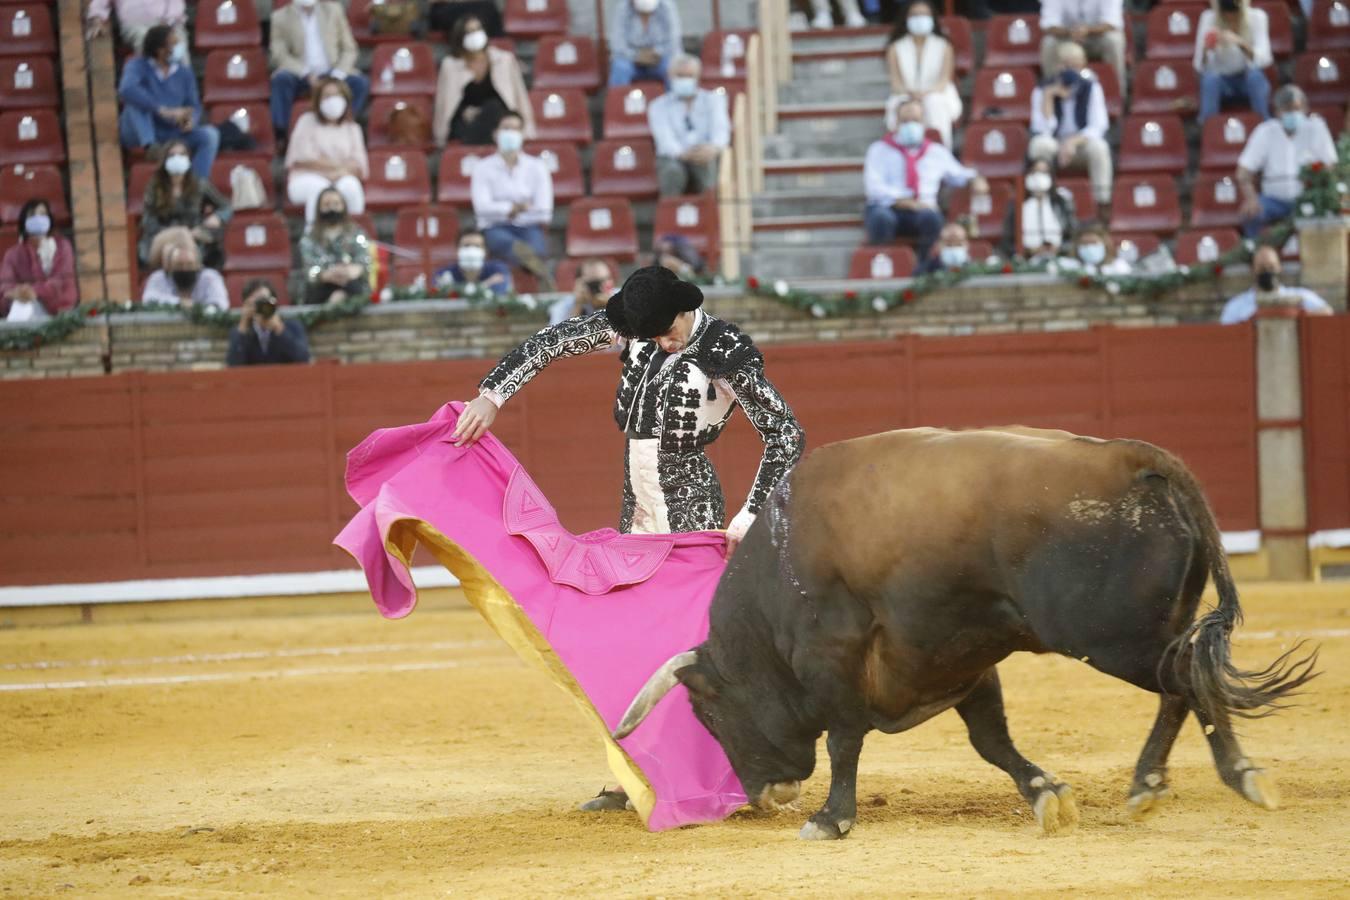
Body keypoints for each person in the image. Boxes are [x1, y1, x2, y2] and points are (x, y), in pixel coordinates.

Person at [452, 269, 804, 814]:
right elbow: (553, 342)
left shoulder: (724, 349)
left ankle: (751, 768)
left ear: (686, 312)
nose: (658, 343)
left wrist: (750, 515)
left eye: (666, 333)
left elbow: (786, 434)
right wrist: (492, 396)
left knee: (703, 647)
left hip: (691, 512)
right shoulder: (636, 326)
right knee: (629, 639)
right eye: (651, 335)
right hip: (635, 507)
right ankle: (629, 774)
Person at [863, 99, 989, 262]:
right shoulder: (879, 150)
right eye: (905, 121)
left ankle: (925, 271)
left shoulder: (936, 152)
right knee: (881, 219)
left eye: (915, 120)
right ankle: (884, 266)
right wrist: (904, 201)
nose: (910, 125)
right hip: (887, 207)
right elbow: (873, 187)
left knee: (932, 219)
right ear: (896, 123)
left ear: (923, 122)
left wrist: (976, 179)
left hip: (922, 210)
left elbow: (960, 175)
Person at [117, 25, 219, 178]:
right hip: (139, 131)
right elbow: (126, 89)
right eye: (175, 43)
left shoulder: (185, 73)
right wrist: (161, 110)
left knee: (211, 135)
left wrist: (191, 120)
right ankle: (151, 148)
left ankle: (198, 186)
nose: (180, 47)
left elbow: (194, 105)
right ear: (160, 50)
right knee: (136, 103)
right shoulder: (137, 66)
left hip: (170, 131)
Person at [1237, 86, 1338, 239]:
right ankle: (1258, 255)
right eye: (1287, 110)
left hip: (1308, 197)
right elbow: (1243, 172)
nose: (1292, 114)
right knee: (1251, 214)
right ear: (1277, 111)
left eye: (1296, 109)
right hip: (1274, 200)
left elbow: (1331, 166)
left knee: (1331, 211)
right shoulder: (1265, 131)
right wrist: (1251, 199)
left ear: (1305, 108)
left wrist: (1319, 190)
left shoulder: (1316, 128)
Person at [470, 112, 553, 283]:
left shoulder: (537, 167)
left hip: (529, 227)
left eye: (516, 129)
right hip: (495, 228)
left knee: (536, 249)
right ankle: (542, 274)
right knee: (504, 242)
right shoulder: (482, 168)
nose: (511, 133)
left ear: (523, 134)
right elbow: (482, 209)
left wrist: (501, 209)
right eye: (506, 128)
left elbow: (544, 211)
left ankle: (532, 265)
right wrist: (515, 208)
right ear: (495, 134)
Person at [1029, 42, 1113, 207]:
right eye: (1066, 65)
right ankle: (1041, 198)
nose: (1070, 70)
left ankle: (1102, 203)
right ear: (1058, 65)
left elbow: (1098, 126)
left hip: (1081, 145)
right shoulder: (1042, 89)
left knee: (1100, 148)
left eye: (1076, 65)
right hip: (1055, 145)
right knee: (1039, 145)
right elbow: (1042, 129)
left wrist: (1072, 142)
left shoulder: (1092, 87)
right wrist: (1049, 98)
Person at [432, 14, 535, 147]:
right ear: (460, 37)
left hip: (497, 118)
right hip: (464, 120)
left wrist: (528, 128)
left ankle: (470, 149)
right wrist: (465, 112)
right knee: (468, 126)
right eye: (469, 32)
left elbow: (519, 95)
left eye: (477, 29)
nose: (474, 35)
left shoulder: (504, 60)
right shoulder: (450, 65)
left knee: (493, 107)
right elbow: (444, 103)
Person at [269, 0, 368, 135]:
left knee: (360, 83)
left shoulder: (334, 11)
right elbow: (278, 54)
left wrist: (336, 75)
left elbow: (349, 49)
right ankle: (282, 134)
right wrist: (305, 73)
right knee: (281, 80)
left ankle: (345, 126)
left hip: (332, 71)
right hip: (300, 74)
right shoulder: (280, 17)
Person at [284, 78, 369, 224]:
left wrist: (334, 170)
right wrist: (338, 168)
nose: (333, 101)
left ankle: (353, 238)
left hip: (341, 177)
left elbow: (359, 164)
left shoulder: (352, 128)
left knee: (351, 186)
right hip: (304, 179)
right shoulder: (306, 121)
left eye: (338, 95)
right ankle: (313, 241)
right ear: (318, 100)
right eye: (327, 96)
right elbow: (302, 158)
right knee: (321, 190)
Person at [138, 138, 232, 269]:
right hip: (161, 240)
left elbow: (226, 206)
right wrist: (179, 234)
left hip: (194, 239)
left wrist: (218, 217)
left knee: (188, 249)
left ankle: (190, 275)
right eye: (172, 155)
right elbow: (148, 223)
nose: (177, 159)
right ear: (165, 160)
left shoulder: (200, 185)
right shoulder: (154, 187)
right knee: (178, 242)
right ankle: (193, 269)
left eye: (182, 155)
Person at [647, 55, 731, 197]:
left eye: (689, 76)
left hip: (705, 153)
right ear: (670, 76)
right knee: (672, 172)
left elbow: (721, 131)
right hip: (673, 157)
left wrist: (713, 148)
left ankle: (710, 212)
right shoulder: (658, 106)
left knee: (707, 165)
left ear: (698, 77)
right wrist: (683, 154)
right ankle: (670, 215)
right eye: (680, 76)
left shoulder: (714, 100)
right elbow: (665, 139)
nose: (685, 80)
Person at [884, 1, 962, 146]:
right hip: (905, 94)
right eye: (915, 15)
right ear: (906, 18)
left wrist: (924, 94)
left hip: (938, 93)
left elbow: (944, 80)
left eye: (924, 14)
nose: (920, 18)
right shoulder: (895, 47)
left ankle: (941, 150)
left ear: (932, 18)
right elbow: (895, 83)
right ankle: (904, 153)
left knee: (934, 103)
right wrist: (911, 95)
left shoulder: (944, 46)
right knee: (905, 108)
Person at [1194, 0, 1272, 124]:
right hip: (1221, 83)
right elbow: (1199, 65)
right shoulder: (1208, 18)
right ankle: (1207, 128)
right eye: (1226, 16)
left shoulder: (1257, 17)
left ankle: (1265, 123)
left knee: (1256, 76)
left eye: (1235, 16)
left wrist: (1241, 44)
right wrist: (1205, 50)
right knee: (1210, 79)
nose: (1230, 20)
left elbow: (1265, 59)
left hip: (1246, 79)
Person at [0, 199, 77, 321]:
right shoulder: (14, 254)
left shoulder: (62, 247)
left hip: (59, 310)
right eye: (32, 215)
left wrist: (34, 291)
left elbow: (60, 281)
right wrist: (17, 293)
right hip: (26, 304)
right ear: (24, 221)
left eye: (42, 214)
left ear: (49, 219)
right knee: (21, 305)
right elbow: (5, 284)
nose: (38, 218)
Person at [1219, 246, 1335, 323]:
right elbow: (1227, 332)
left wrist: (1297, 314)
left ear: (1279, 268)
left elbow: (1327, 312)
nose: (1267, 271)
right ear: (1253, 270)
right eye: (1262, 268)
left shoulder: (1299, 295)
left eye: (1271, 267)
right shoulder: (1236, 305)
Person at [299, 187, 371, 306]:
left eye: (336, 204)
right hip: (322, 286)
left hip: (350, 284)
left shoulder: (356, 233)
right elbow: (309, 270)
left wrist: (351, 271)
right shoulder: (309, 238)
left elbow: (364, 262)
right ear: (319, 208)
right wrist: (326, 274)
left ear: (343, 206)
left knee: (355, 288)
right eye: (326, 204)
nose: (332, 208)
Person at [1039, 0, 1126, 90]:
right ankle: (1051, 90)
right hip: (1067, 37)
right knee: (1049, 42)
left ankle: (1117, 92)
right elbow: (1048, 25)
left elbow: (1112, 24)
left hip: (1097, 37)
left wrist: (1087, 30)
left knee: (1114, 40)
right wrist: (1071, 32)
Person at [227, 278, 312, 366]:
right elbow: (233, 366)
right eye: (256, 302)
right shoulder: (241, 332)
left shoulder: (293, 327)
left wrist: (279, 329)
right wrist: (243, 325)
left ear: (274, 302)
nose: (261, 305)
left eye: (264, 300)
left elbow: (303, 359)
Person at [1003, 159, 1076, 260]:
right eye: (1035, 172)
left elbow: (1072, 234)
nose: (1039, 177)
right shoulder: (1017, 204)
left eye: (1044, 172)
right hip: (1026, 260)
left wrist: (1059, 249)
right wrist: (1028, 250)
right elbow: (1008, 242)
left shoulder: (1061, 202)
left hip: (1059, 258)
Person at [607, 0, 682, 88]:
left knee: (673, 66)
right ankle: (618, 100)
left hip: (660, 58)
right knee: (620, 67)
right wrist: (637, 56)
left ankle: (675, 101)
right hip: (631, 60)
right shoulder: (623, 7)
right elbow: (618, 44)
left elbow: (673, 41)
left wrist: (656, 52)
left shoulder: (666, 6)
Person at [141, 242, 229, 309]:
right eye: (179, 265)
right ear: (170, 267)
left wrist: (193, 308)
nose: (184, 269)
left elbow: (221, 305)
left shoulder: (210, 277)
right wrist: (180, 303)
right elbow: (148, 301)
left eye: (189, 265)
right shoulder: (158, 278)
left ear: (198, 265)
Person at [86, 0, 186, 58]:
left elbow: (176, 5)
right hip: (135, 26)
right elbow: (99, 4)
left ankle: (183, 93)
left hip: (168, 23)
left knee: (178, 47)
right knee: (146, 40)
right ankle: (152, 89)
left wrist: (169, 22)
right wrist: (97, 20)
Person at [436, 230, 512, 296]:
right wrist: (486, 284)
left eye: (477, 246)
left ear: (485, 251)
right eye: (466, 246)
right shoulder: (444, 272)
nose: (471, 250)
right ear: (457, 250)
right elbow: (439, 293)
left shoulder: (497, 269)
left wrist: (455, 289)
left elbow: (499, 290)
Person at [548, 258, 615, 325]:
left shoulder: (620, 298)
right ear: (580, 284)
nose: (601, 288)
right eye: (595, 284)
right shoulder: (563, 308)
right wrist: (578, 306)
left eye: (606, 279)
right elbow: (558, 334)